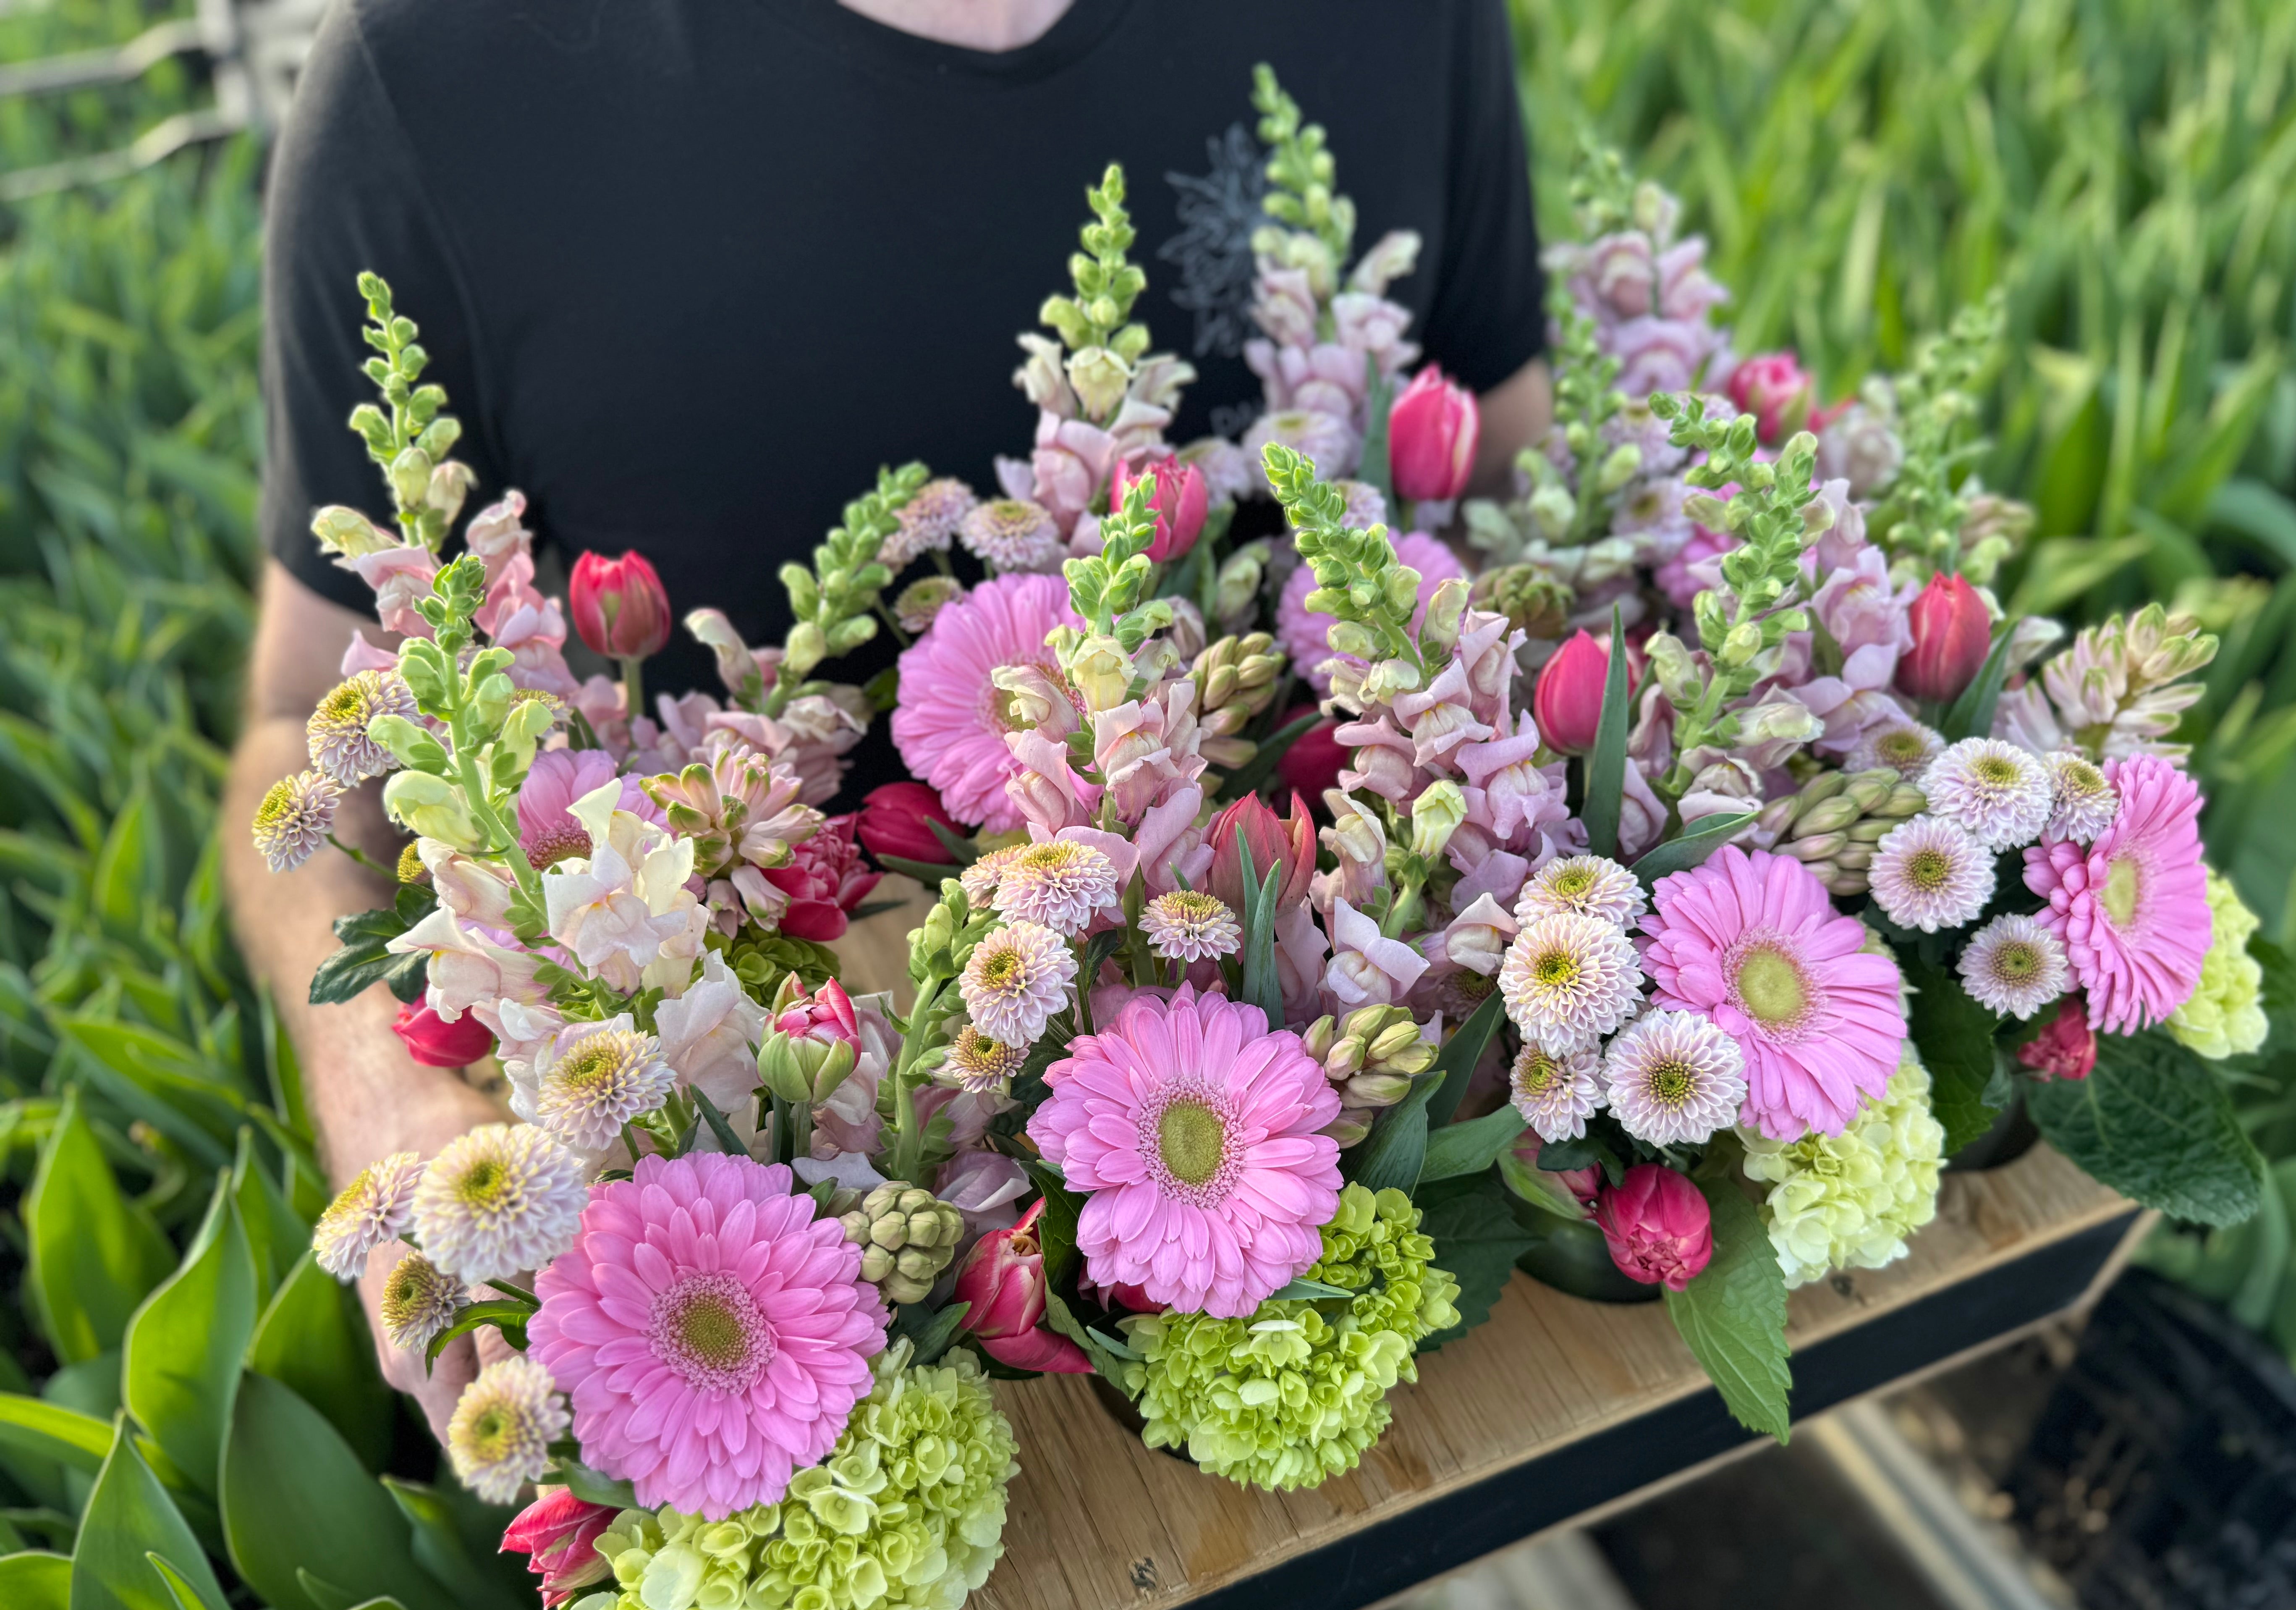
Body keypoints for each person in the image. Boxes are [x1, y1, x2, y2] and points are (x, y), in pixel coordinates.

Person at [223, 0, 1553, 1442]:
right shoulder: (436, 76)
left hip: (1360, 1155)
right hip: (768, 1261)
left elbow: (1504, 495)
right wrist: (392, 1107)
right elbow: (299, 721)